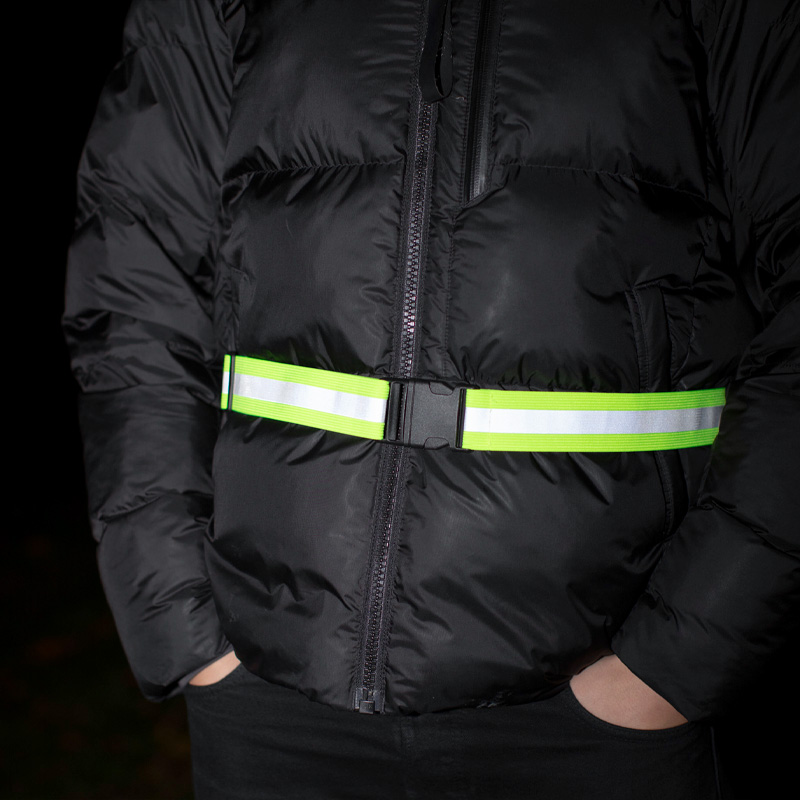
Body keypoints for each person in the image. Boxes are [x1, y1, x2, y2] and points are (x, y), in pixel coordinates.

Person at [63, 0, 798, 798]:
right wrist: (180, 626)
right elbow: (136, 286)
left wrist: (678, 661)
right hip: (272, 702)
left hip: (607, 709)